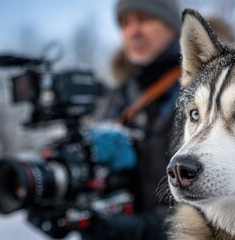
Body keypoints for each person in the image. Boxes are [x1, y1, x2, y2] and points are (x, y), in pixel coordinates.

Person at [84, 0, 182, 239]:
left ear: (172, 27)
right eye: (126, 22)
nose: (133, 31)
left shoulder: (201, 89)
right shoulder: (115, 98)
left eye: (145, 19)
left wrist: (145, 229)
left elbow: (219, 201)